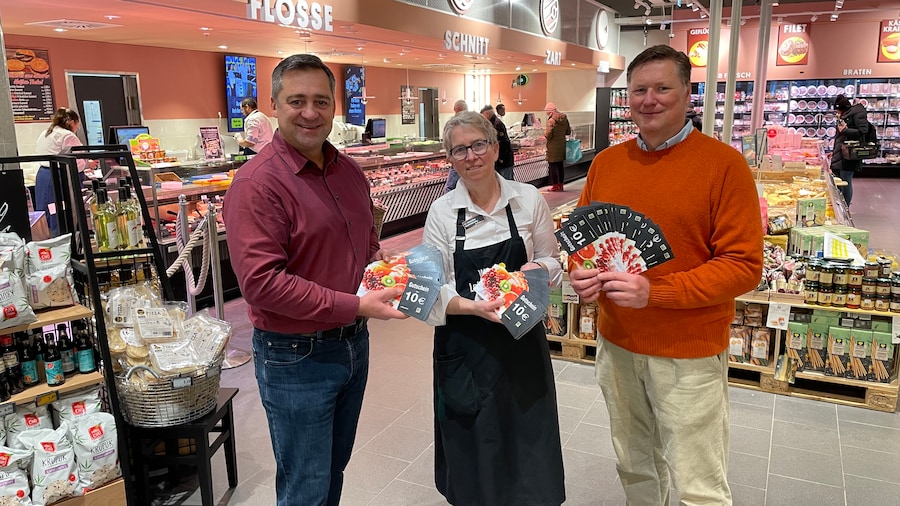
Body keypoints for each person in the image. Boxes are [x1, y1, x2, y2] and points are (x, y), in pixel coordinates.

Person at [568, 45, 763, 505]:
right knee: (634, 464)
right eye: (639, 89)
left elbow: (744, 265)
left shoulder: (724, 165)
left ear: (687, 93)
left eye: (662, 88)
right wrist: (583, 274)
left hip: (688, 352)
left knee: (699, 479)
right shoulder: (607, 164)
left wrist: (655, 291)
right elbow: (583, 243)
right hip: (616, 345)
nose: (649, 99)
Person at [222, 54, 406, 506]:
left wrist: (377, 261)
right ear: (273, 105)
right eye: (296, 101)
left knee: (331, 471)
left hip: (352, 344)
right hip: (294, 356)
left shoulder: (348, 170)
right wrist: (356, 305)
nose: (310, 112)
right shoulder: (256, 185)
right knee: (305, 483)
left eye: (321, 101)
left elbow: (360, 239)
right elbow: (262, 284)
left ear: (334, 105)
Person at [423, 111, 565, 506]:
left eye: (479, 144)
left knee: (527, 444)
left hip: (522, 345)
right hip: (464, 347)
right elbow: (431, 290)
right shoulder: (442, 213)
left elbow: (553, 262)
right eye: (459, 150)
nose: (471, 156)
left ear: (496, 147)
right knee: (474, 450)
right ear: (450, 159)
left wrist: (537, 270)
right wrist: (473, 306)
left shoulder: (528, 200)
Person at [34, 108, 97, 235]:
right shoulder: (67, 135)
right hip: (59, 177)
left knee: (47, 211)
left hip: (43, 175)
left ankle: (50, 240)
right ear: (72, 122)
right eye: (77, 125)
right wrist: (88, 163)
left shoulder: (46, 132)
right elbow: (76, 161)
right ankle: (64, 241)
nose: (76, 128)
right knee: (60, 212)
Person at [831, 94, 868, 205]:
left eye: (837, 110)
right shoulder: (844, 116)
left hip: (849, 155)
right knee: (839, 181)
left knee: (846, 182)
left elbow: (862, 132)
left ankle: (845, 208)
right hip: (840, 154)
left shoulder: (856, 114)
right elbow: (840, 137)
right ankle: (840, 204)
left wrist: (845, 130)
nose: (837, 112)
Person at [480, 104, 515, 180]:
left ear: (487, 114)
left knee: (507, 183)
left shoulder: (497, 124)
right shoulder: (492, 123)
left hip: (504, 161)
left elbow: (503, 143)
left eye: (482, 116)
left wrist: (500, 157)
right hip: (500, 161)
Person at [543, 102, 570, 192]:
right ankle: (561, 185)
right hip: (562, 144)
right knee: (560, 165)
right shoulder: (564, 118)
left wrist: (544, 133)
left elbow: (548, 134)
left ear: (550, 112)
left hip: (553, 146)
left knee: (553, 166)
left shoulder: (551, 121)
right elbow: (568, 131)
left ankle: (555, 185)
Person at [443, 99, 469, 193]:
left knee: (450, 188)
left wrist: (449, 156)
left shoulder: (452, 124)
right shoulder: (472, 123)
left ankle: (450, 206)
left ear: (457, 109)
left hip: (457, 160)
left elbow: (447, 142)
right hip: (465, 160)